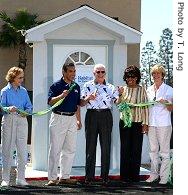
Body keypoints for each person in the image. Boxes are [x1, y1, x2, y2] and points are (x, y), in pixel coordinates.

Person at [81, 64, 119, 185]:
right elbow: (81, 103)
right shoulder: (87, 85)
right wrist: (88, 97)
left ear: (105, 73)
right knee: (90, 146)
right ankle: (89, 176)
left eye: (103, 72)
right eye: (98, 72)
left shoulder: (110, 87)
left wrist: (121, 94)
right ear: (94, 73)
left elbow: (117, 102)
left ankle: (105, 176)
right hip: (91, 115)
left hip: (106, 115)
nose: (101, 74)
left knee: (106, 146)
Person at [46, 63, 82, 186]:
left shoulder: (76, 86)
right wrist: (62, 95)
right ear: (64, 72)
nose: (73, 74)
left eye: (74, 71)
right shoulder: (56, 85)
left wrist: (79, 120)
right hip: (58, 118)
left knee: (70, 149)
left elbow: (78, 104)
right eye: (71, 71)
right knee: (55, 149)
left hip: (72, 119)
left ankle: (65, 177)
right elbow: (50, 102)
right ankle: (52, 177)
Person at [0, 67, 33, 187]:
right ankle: (6, 179)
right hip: (9, 120)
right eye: (20, 77)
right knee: (7, 150)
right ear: (13, 77)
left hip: (22, 120)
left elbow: (29, 107)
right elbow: (2, 107)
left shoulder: (24, 91)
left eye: (22, 77)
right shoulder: (4, 91)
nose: (22, 79)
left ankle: (21, 178)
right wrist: (8, 109)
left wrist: (26, 111)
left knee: (23, 150)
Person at [118, 65, 149, 182]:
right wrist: (120, 95)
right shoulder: (123, 89)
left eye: (133, 77)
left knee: (136, 149)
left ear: (137, 78)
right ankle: (124, 177)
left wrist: (145, 123)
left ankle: (134, 176)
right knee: (125, 149)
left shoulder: (142, 89)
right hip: (125, 122)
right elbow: (119, 105)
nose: (130, 79)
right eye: (128, 77)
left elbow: (146, 107)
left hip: (137, 123)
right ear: (125, 78)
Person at [146, 64, 173, 185]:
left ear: (163, 75)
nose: (156, 75)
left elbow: (171, 108)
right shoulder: (149, 89)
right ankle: (153, 175)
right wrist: (145, 124)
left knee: (165, 152)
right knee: (153, 150)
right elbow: (146, 108)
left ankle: (164, 177)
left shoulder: (169, 89)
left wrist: (166, 102)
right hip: (151, 124)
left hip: (164, 124)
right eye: (153, 73)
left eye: (158, 73)